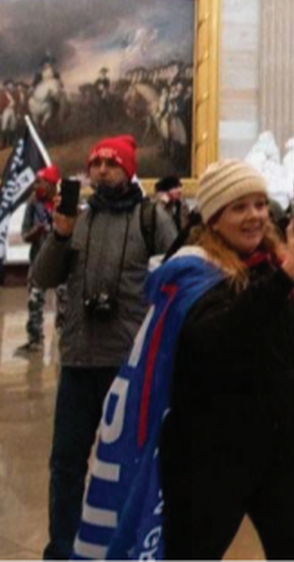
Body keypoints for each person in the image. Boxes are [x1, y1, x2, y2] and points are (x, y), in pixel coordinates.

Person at [158, 160, 294, 559]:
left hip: (280, 445)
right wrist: (287, 274)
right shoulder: (192, 270)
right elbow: (217, 337)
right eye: (239, 207)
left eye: (259, 204)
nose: (254, 216)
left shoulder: (271, 258)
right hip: (214, 448)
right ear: (213, 218)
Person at [32, 135, 178, 559]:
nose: (100, 170)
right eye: (95, 163)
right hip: (78, 360)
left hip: (129, 364)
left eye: (111, 164)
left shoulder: (150, 218)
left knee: (131, 463)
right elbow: (42, 277)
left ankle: (128, 545)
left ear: (128, 170)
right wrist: (59, 236)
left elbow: (176, 271)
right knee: (66, 464)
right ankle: (62, 548)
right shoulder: (75, 220)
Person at [17, 166, 63, 355]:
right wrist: (35, 232)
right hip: (38, 261)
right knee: (34, 301)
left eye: (39, 182)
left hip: (62, 263)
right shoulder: (33, 203)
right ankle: (35, 340)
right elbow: (24, 234)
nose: (35, 186)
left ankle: (64, 341)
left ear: (51, 184)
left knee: (65, 304)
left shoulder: (64, 201)